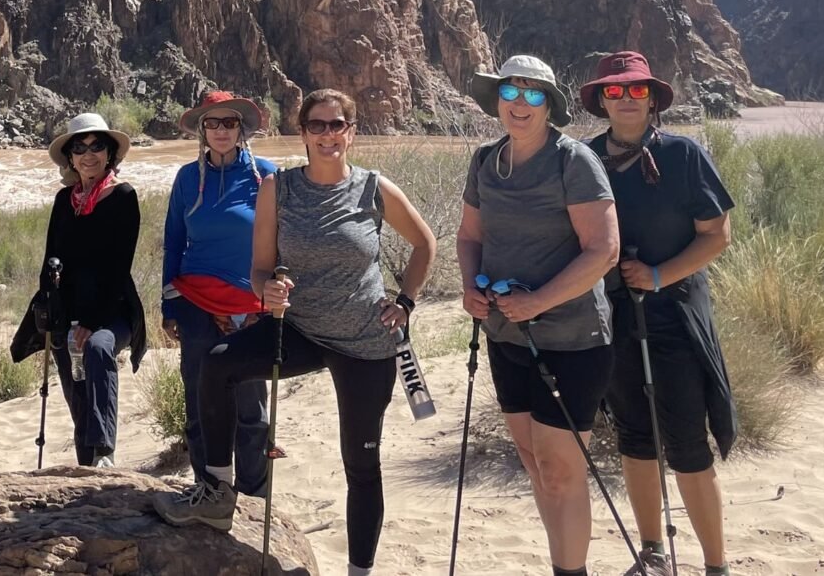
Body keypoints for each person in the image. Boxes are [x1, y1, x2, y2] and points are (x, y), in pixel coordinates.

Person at [156, 88, 437, 576]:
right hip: (300, 328)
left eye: (337, 125)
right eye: (318, 125)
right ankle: (218, 492)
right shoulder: (277, 188)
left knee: (362, 464)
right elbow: (260, 268)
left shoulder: (373, 188)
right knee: (219, 363)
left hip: (364, 342)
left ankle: (359, 570)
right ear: (302, 132)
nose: (328, 135)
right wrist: (268, 291)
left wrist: (406, 303)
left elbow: (425, 244)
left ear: (351, 132)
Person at [456, 55, 619, 576]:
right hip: (507, 334)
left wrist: (539, 301)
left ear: (550, 105)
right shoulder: (485, 160)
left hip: (572, 338)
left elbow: (604, 250)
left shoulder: (573, 162)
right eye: (510, 93)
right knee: (533, 462)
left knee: (560, 468)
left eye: (532, 95)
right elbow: (468, 238)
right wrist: (469, 287)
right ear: (496, 101)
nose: (519, 105)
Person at [580, 52, 736, 576]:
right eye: (616, 91)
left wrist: (659, 275)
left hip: (674, 315)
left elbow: (716, 236)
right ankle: (652, 552)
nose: (627, 100)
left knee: (688, 439)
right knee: (634, 436)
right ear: (602, 98)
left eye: (637, 91)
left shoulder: (684, 155)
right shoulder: (582, 159)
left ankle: (716, 566)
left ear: (653, 98)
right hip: (613, 317)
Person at [160, 90, 276, 498]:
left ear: (241, 128)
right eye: (213, 123)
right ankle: (208, 486)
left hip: (251, 303)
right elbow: (174, 240)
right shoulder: (188, 178)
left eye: (229, 122)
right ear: (202, 131)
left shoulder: (265, 175)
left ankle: (254, 494)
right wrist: (167, 302)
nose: (222, 130)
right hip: (195, 299)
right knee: (199, 394)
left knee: (251, 404)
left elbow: (283, 241)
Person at [41, 111, 147, 467]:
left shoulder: (123, 197)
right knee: (75, 382)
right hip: (68, 310)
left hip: (111, 309)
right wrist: (51, 312)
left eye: (97, 146)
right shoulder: (63, 201)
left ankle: (105, 451)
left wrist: (91, 320)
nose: (89, 154)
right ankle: (86, 459)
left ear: (109, 153)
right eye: (79, 147)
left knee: (98, 349)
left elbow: (119, 268)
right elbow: (50, 260)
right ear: (70, 157)